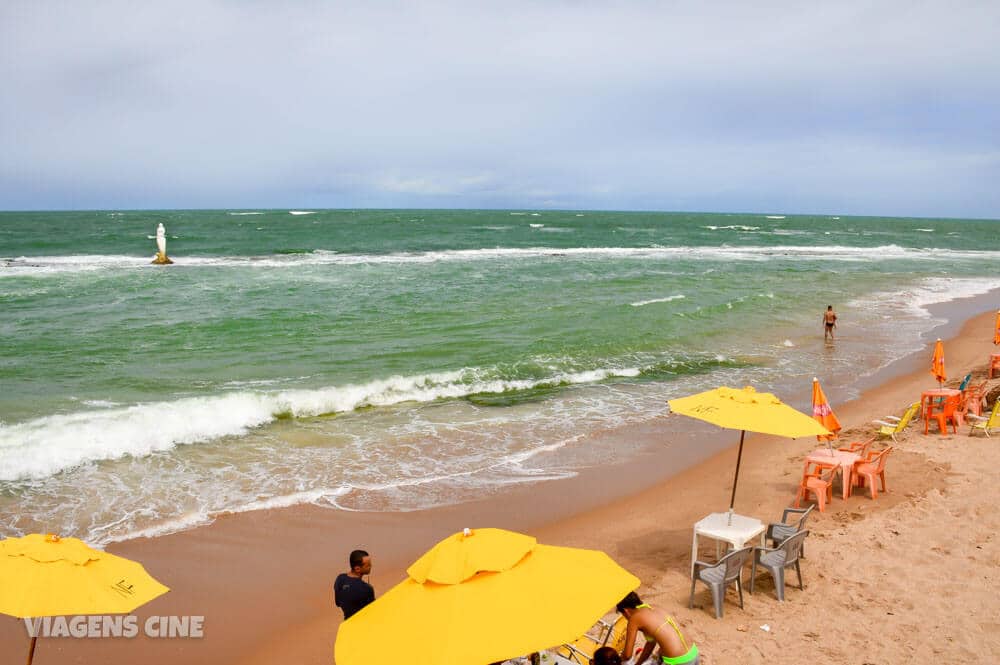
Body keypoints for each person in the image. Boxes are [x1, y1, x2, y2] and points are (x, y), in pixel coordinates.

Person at [616, 592, 699, 665]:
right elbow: (650, 644)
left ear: (626, 611)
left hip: (678, 661)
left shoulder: (634, 619)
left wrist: (618, 659)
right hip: (693, 653)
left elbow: (627, 655)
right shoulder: (653, 607)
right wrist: (638, 663)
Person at [334, 549, 374, 620]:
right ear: (357, 569)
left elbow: (338, 603)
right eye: (368, 565)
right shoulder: (366, 589)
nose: (371, 566)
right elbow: (372, 612)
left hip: (347, 621)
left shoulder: (340, 579)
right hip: (362, 622)